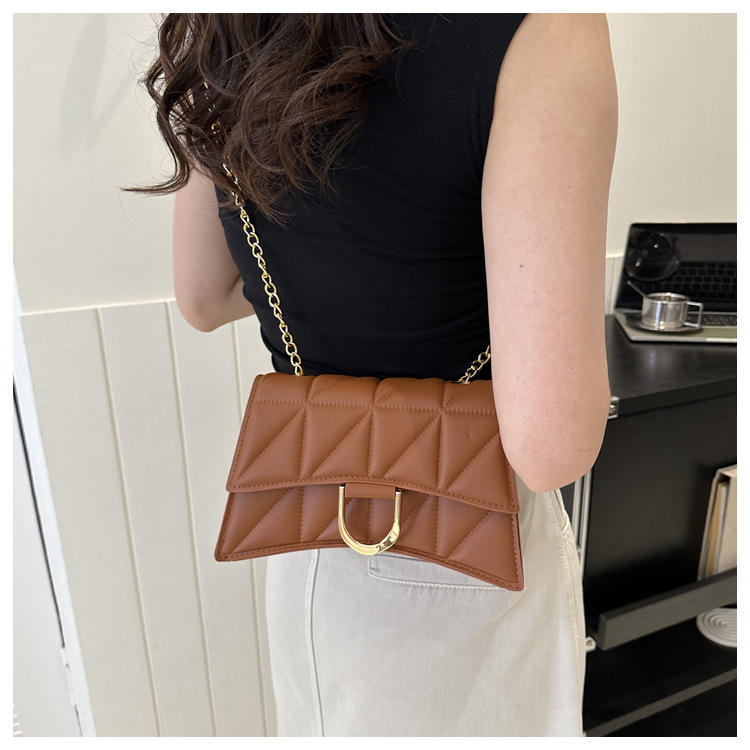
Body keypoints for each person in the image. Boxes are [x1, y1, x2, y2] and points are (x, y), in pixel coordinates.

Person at [138, 13, 617, 736]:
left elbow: (205, 295)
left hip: (309, 536)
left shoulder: (234, 25)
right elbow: (552, 447)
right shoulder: (545, 28)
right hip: (463, 558)